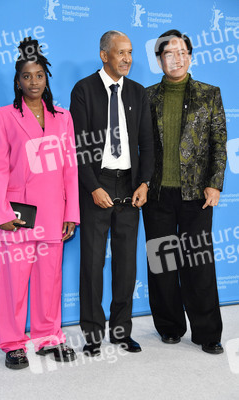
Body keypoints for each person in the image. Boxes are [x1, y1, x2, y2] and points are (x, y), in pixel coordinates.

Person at [0, 37, 80, 369]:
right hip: (18, 215)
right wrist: (1, 213)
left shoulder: (63, 118)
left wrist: (71, 212)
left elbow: (71, 168)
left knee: (49, 281)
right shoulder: (4, 116)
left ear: (46, 78)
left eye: (39, 75)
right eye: (27, 76)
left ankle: (47, 338)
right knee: (14, 284)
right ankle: (13, 343)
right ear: (17, 81)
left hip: (54, 213)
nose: (33, 82)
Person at [70, 30, 154, 356]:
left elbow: (146, 143)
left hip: (130, 187)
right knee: (92, 265)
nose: (128, 59)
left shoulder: (137, 93)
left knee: (126, 266)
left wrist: (145, 182)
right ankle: (92, 336)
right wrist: (92, 187)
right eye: (121, 53)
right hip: (97, 183)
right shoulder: (84, 91)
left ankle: (121, 332)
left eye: (130, 52)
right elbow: (77, 147)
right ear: (104, 55)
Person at [143, 29, 227, 354]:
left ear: (190, 56)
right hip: (157, 196)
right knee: (163, 263)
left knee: (199, 264)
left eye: (181, 52)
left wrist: (215, 183)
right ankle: (169, 326)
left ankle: (208, 333)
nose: (175, 58)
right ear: (159, 59)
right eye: (168, 53)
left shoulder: (210, 94)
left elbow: (220, 143)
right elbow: (142, 147)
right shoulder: (146, 97)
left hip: (197, 196)